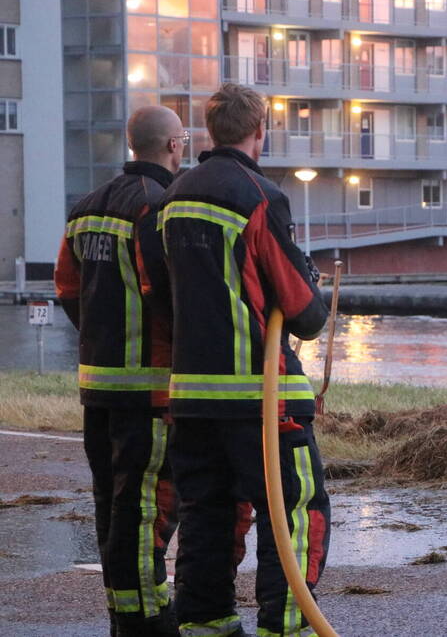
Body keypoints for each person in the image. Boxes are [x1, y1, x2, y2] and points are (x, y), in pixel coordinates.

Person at [155, 83, 329, 637]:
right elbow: (303, 313)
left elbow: (161, 292)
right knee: (295, 514)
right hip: (261, 398)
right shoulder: (257, 194)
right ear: (260, 130)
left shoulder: (172, 197)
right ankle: (285, 628)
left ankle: (206, 626)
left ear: (209, 131)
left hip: (191, 399)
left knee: (207, 515)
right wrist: (307, 281)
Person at [54, 106, 184, 637]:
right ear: (175, 145)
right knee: (144, 512)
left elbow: (65, 287)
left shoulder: (86, 207)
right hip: (148, 391)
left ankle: (123, 614)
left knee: (112, 507)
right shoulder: (157, 208)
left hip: (98, 387)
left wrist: (101, 339)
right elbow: (167, 293)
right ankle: (145, 621)